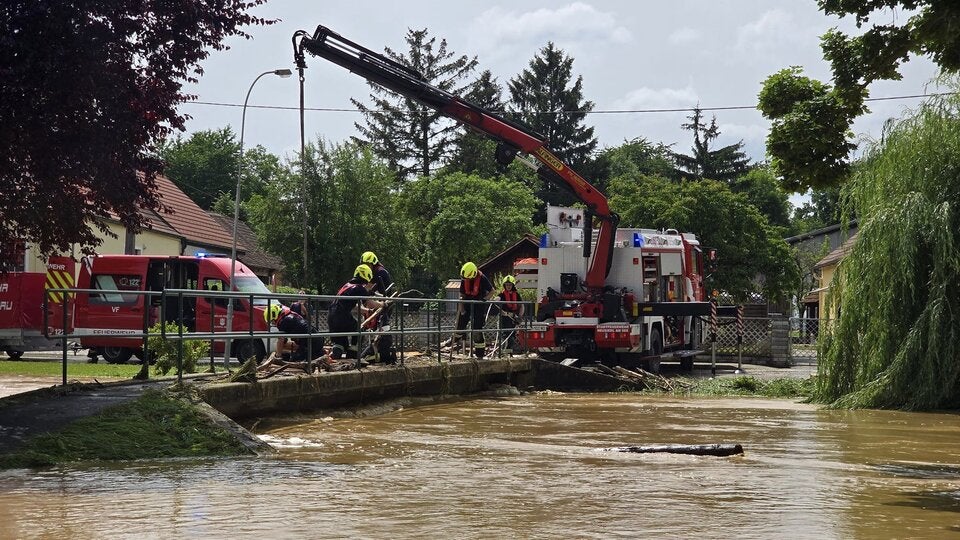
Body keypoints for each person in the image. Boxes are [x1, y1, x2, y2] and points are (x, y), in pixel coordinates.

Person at [327, 264, 383, 361]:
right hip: (342, 316)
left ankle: (334, 359)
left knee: (340, 344)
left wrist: (366, 311)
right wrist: (382, 304)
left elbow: (352, 305)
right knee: (358, 330)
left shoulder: (347, 286)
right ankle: (353, 356)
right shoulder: (359, 288)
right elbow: (369, 303)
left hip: (331, 317)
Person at [358, 251, 397, 364]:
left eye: (367, 264)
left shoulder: (380, 273)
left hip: (384, 305)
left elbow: (369, 288)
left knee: (381, 329)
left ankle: (381, 353)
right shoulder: (376, 272)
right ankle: (380, 353)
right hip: (380, 304)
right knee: (378, 330)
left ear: (373, 263)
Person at [455, 261, 494, 358]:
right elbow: (461, 295)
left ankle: (480, 354)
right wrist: (462, 308)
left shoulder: (482, 278)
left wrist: (484, 299)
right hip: (467, 304)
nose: (466, 279)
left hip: (478, 305)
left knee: (477, 329)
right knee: (460, 325)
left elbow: (492, 291)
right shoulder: (465, 279)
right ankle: (453, 342)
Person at [496, 275, 524, 354]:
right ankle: (504, 353)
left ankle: (509, 353)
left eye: (510, 285)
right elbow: (496, 300)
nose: (508, 286)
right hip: (504, 318)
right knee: (505, 335)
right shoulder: (502, 294)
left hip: (513, 319)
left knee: (512, 336)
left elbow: (522, 305)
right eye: (507, 285)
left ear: (513, 285)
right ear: (504, 285)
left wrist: (520, 316)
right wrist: (496, 299)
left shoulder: (517, 295)